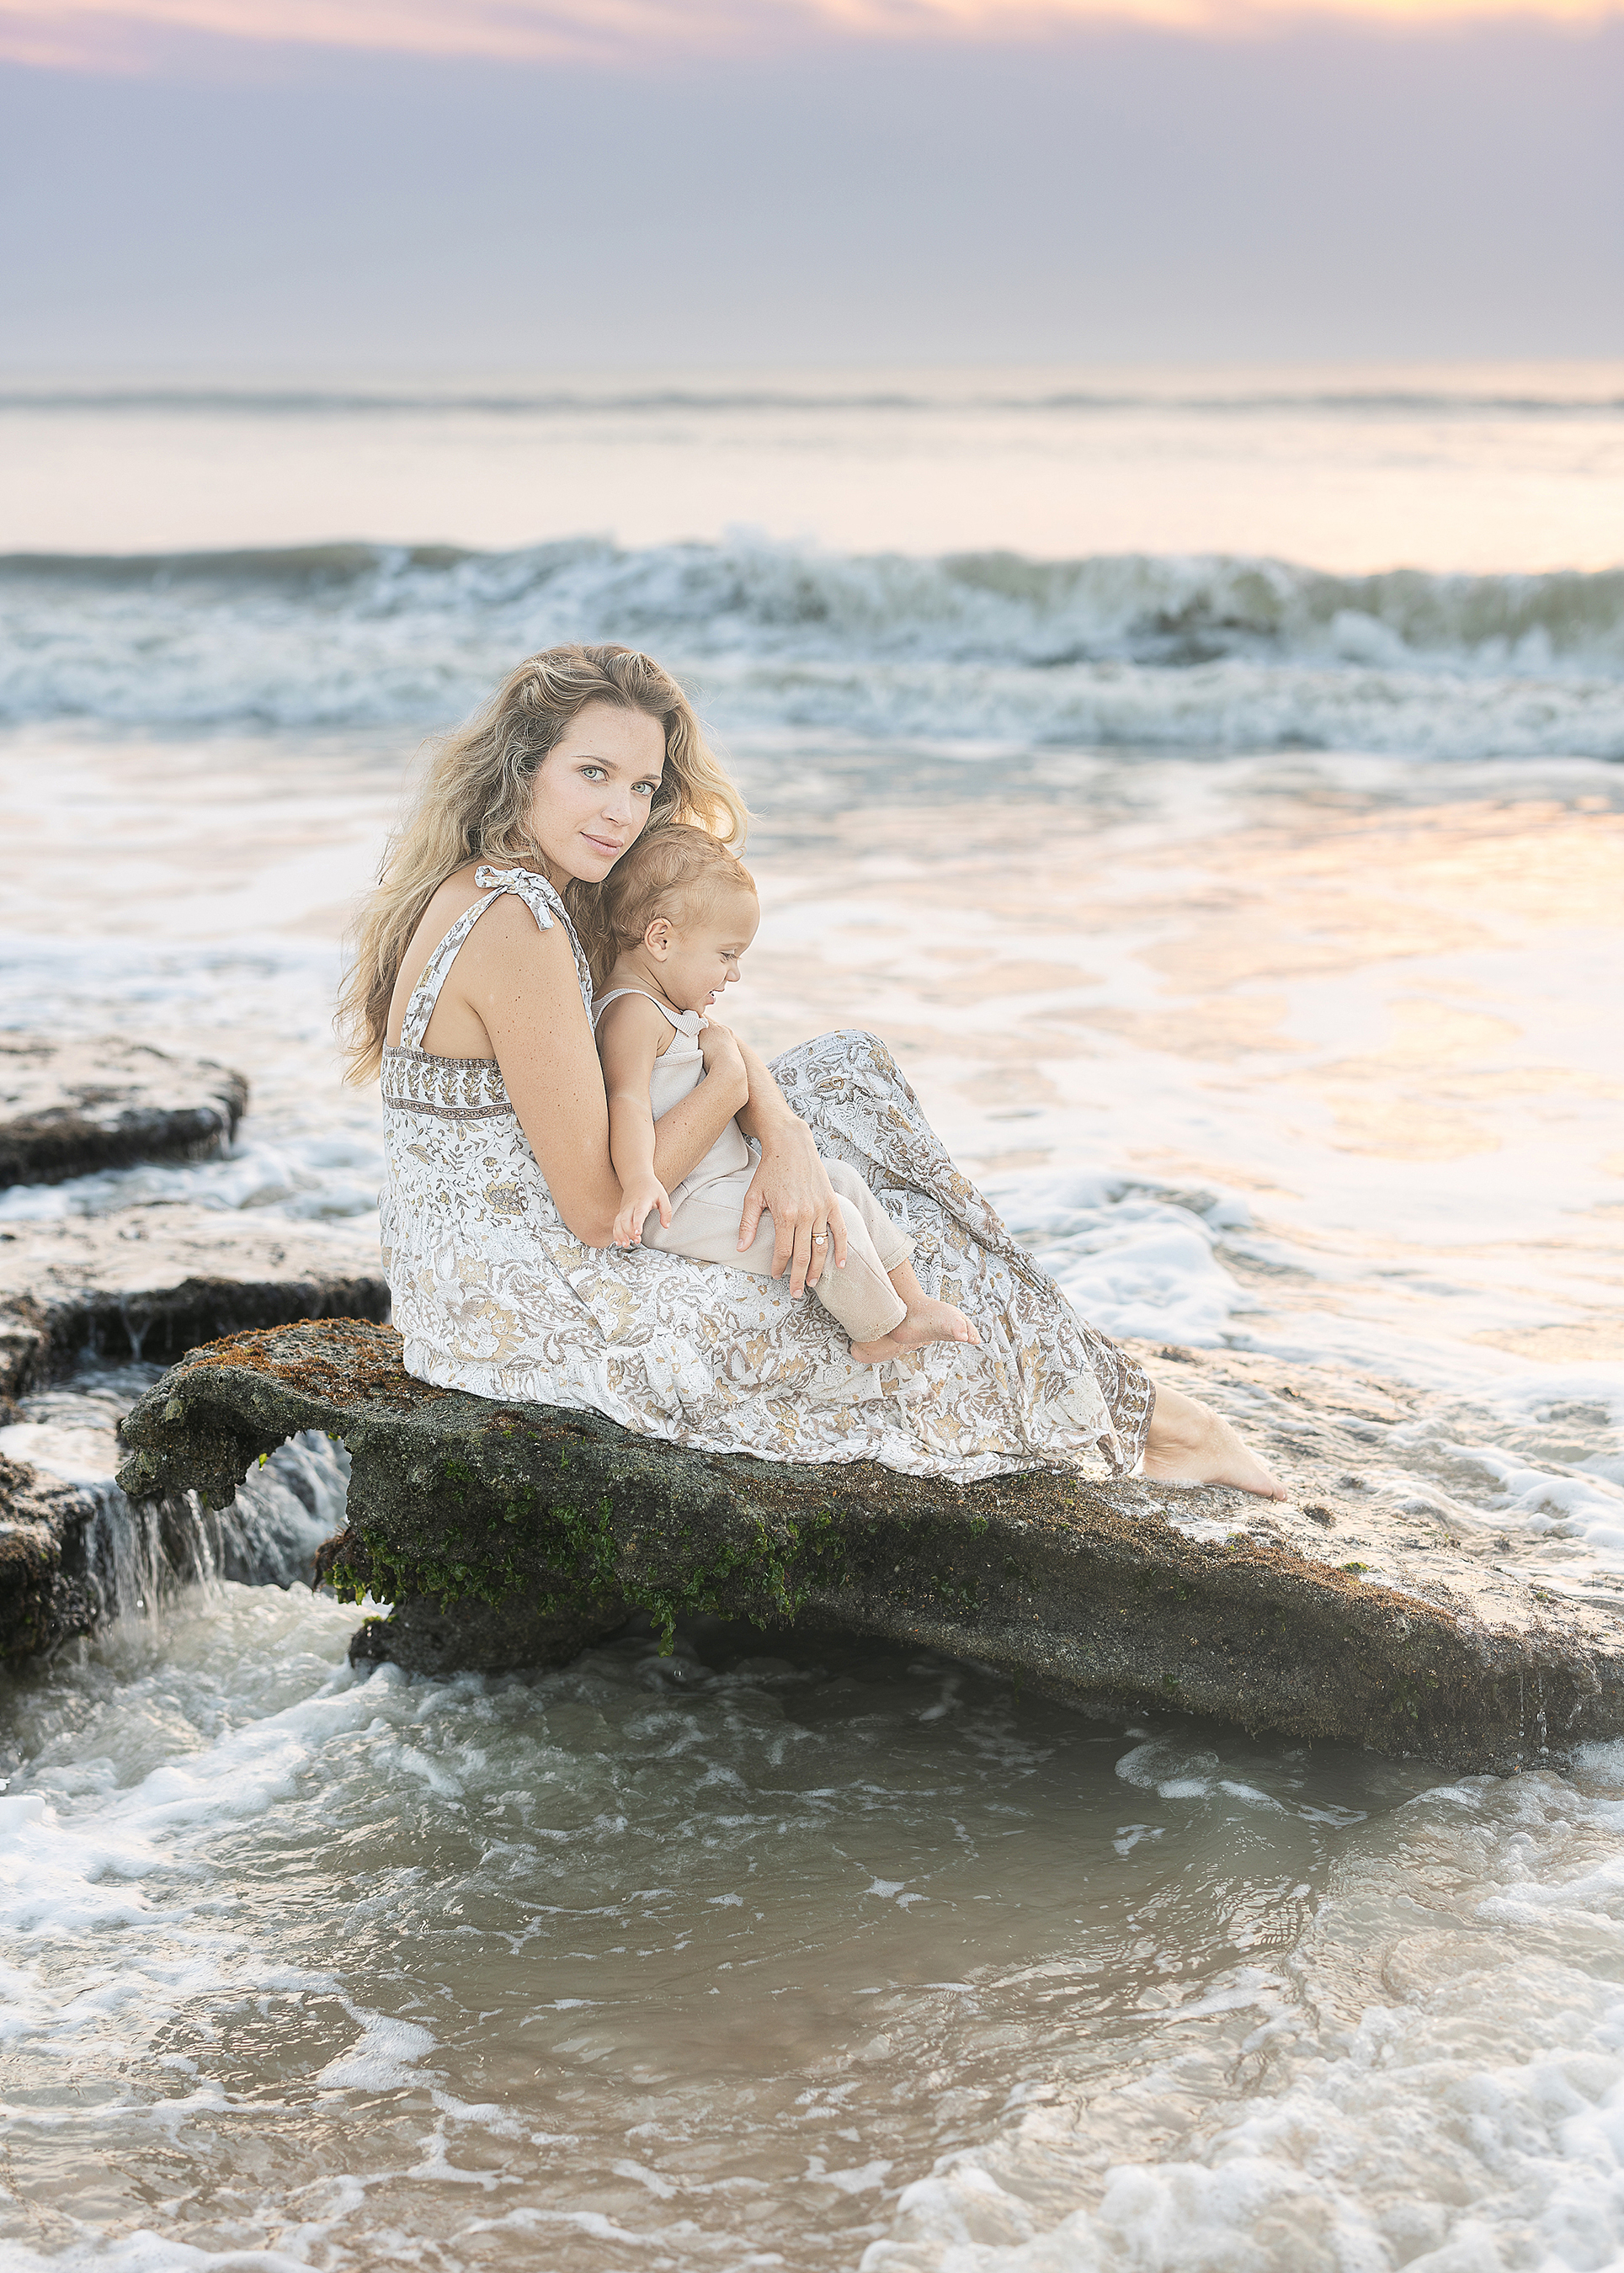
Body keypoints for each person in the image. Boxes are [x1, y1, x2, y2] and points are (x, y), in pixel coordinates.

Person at [341, 642, 1283, 1496]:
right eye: (593, 773)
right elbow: (600, 1207)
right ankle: (1159, 1423)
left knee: (840, 1090)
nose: (621, 813)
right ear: (524, 768)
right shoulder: (523, 921)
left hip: (514, 1256)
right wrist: (732, 1093)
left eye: (641, 785)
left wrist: (781, 1135)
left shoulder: (525, 888)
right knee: (865, 1251)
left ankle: (1127, 1406)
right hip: (522, 1297)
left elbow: (671, 1033)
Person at [592, 823, 981, 1367]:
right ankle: (877, 1329)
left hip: (717, 1181)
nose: (734, 973)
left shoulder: (665, 1005)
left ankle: (910, 1303)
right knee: (817, 1218)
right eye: (726, 955)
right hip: (680, 1203)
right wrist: (638, 1180)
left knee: (834, 1179)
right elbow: (626, 1103)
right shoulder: (631, 1013)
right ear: (660, 941)